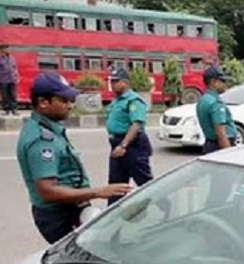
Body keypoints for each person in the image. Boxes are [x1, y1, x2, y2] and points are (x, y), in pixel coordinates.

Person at [16, 72, 132, 244]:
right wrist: (98, 192)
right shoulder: (41, 140)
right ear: (43, 102)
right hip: (58, 215)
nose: (70, 105)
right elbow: (47, 191)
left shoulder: (48, 128)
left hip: (70, 207)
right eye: (63, 100)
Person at [105, 68, 153, 205]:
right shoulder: (117, 101)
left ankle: (163, 208)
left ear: (125, 83)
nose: (112, 84)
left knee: (144, 182)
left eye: (115, 81)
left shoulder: (134, 101)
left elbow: (136, 124)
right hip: (117, 144)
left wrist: (123, 145)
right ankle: (112, 213)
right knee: (116, 182)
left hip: (132, 145)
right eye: (111, 81)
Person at [197, 66, 236, 154]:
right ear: (213, 82)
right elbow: (221, 134)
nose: (225, 84)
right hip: (219, 146)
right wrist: (228, 153)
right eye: (222, 81)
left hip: (209, 144)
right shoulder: (215, 103)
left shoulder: (204, 99)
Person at [0, 44, 19, 116]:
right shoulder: (0, 59)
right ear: (2, 50)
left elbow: (15, 68)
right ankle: (6, 110)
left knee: (13, 95)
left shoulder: (12, 58)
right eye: (7, 49)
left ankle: (14, 109)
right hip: (3, 80)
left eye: (8, 48)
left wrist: (17, 75)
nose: (8, 50)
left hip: (12, 79)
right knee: (5, 95)